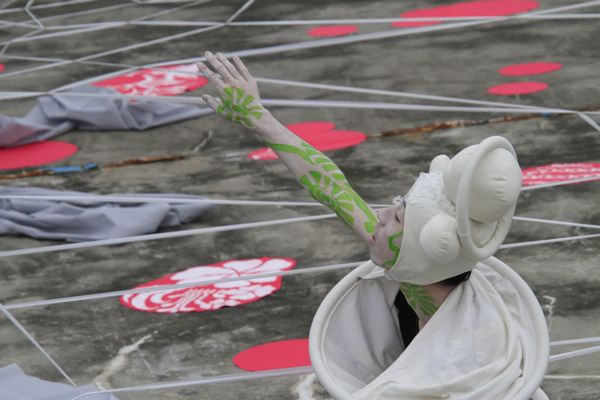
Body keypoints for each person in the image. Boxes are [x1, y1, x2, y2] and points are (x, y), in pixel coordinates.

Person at [196, 52, 549, 399]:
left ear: (422, 250)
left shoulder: (461, 360)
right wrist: (258, 116)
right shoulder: (426, 274)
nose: (379, 214)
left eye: (397, 217)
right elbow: (331, 186)